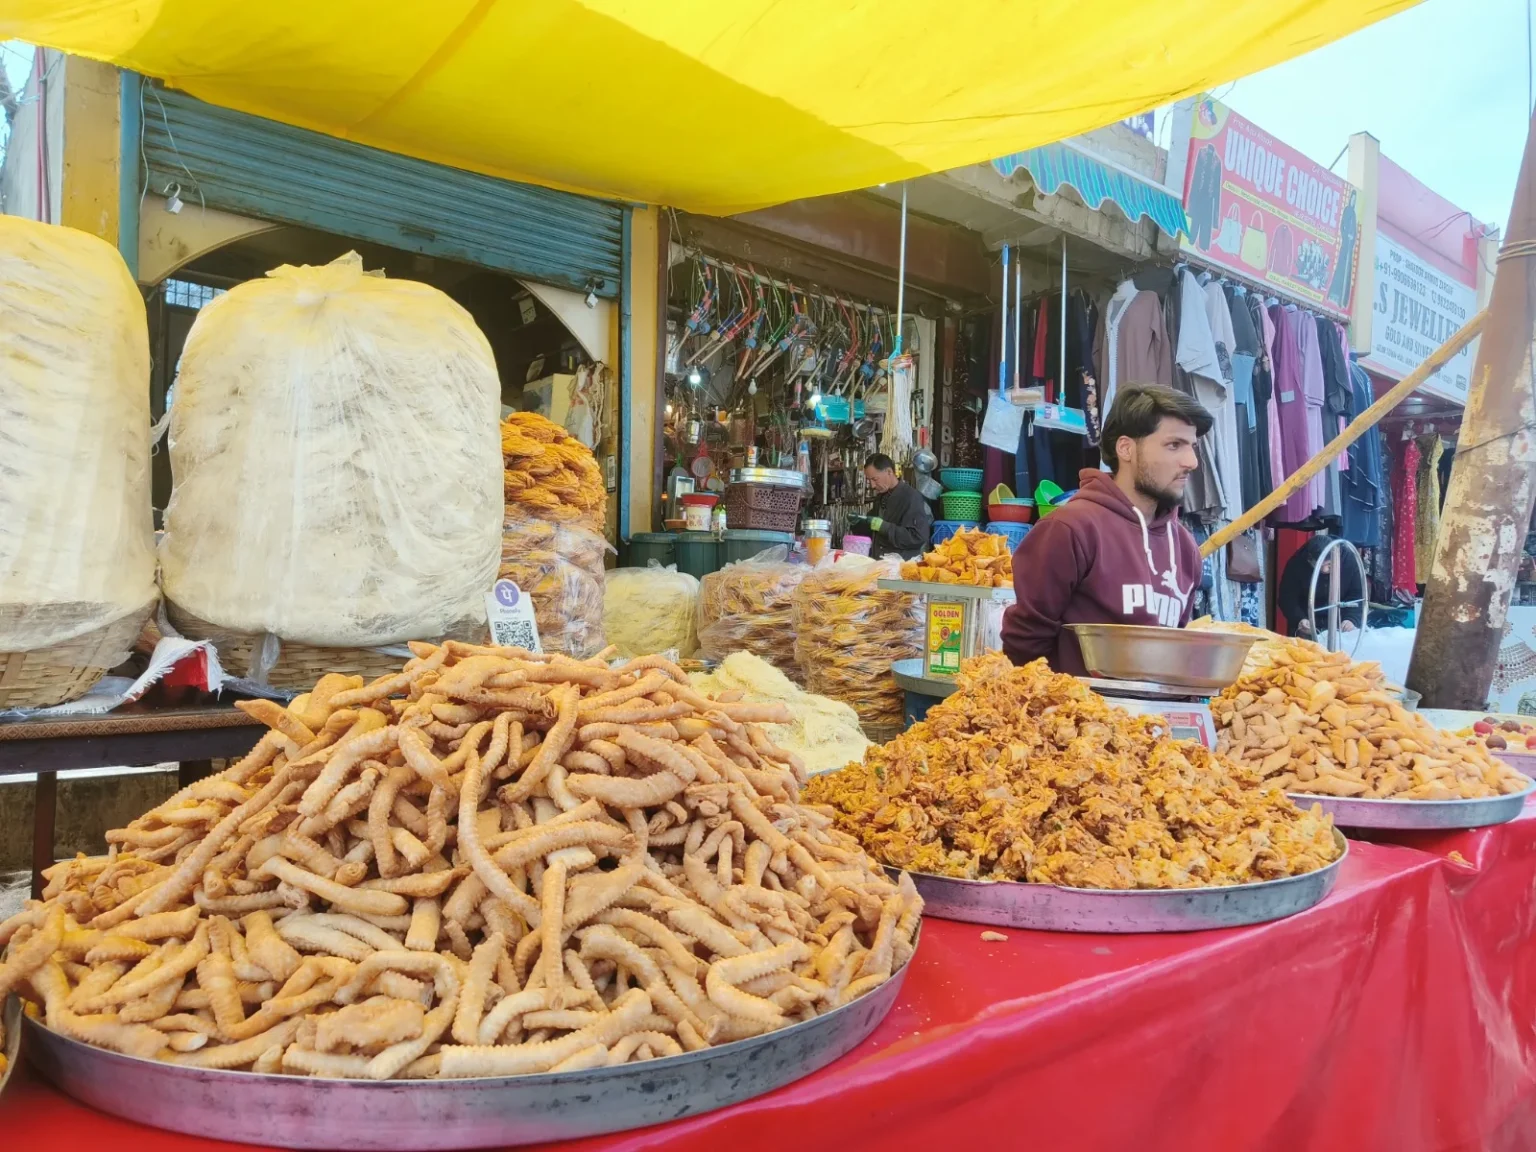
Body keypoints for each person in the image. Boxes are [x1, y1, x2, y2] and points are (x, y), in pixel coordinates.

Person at [1000, 384, 1210, 675]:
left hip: (1161, 718)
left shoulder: (1185, 548)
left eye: (1192, 447)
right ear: (1125, 448)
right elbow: (1023, 648)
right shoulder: (1069, 529)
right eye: (1174, 445)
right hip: (1081, 716)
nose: (1191, 462)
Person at [1277, 534, 1362, 638]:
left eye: (1329, 565)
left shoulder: (1349, 560)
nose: (1325, 570)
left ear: (1337, 557)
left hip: (1340, 621)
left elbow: (1357, 594)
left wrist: (1351, 619)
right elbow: (1287, 597)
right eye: (1319, 566)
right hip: (1308, 620)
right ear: (1310, 560)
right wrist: (1299, 618)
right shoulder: (1297, 562)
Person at [851, 453, 933, 560]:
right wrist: (858, 523)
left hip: (900, 567)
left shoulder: (911, 497)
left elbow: (918, 537)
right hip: (880, 564)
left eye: (875, 479)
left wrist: (884, 527)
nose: (872, 485)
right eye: (869, 480)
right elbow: (871, 532)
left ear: (889, 472)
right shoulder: (880, 498)